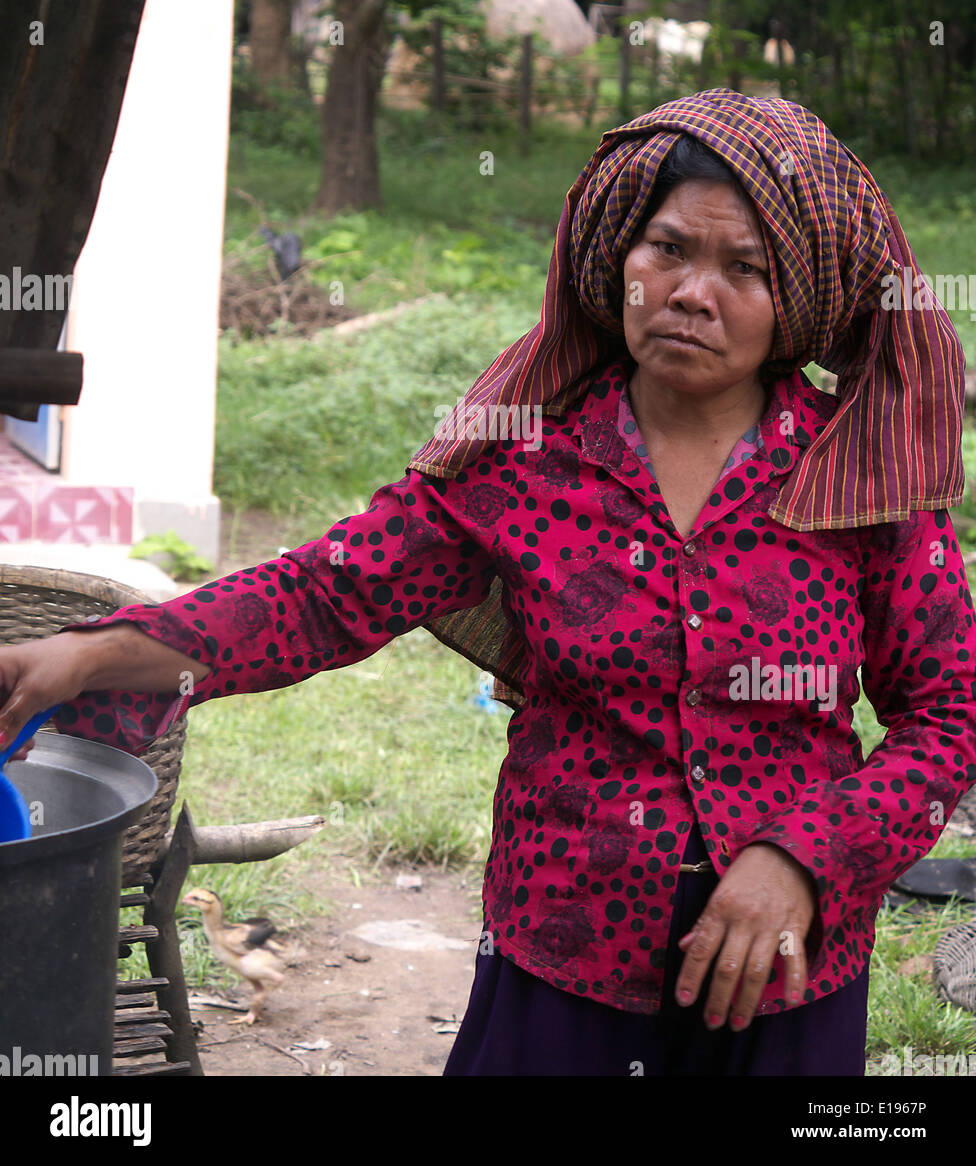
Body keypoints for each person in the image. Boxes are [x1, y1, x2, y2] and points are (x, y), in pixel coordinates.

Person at [1, 89, 974, 1076]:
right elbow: (320, 595)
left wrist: (803, 859)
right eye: (668, 249)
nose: (692, 291)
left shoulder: (857, 481)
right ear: (616, 260)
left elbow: (948, 718)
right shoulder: (524, 459)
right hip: (564, 962)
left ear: (797, 300)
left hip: (785, 981)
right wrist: (83, 655)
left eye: (746, 269)